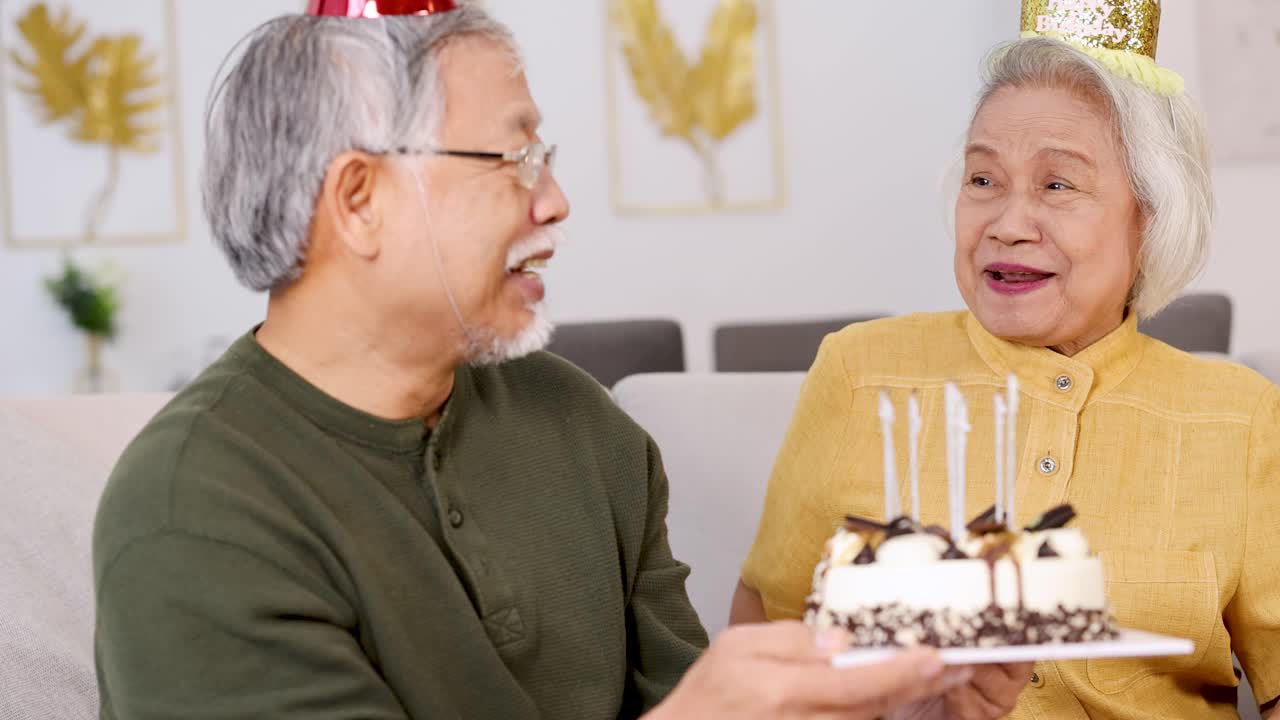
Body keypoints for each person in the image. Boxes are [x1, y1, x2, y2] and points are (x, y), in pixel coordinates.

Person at [93, 2, 976, 717]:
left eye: (542, 158)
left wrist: (890, 708)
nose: (554, 201)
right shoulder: (193, 511)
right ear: (359, 201)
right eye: (513, 157)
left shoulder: (579, 423)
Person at [730, 2, 1280, 719]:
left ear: (1150, 215)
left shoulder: (1238, 417)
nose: (1008, 225)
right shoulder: (859, 373)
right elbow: (765, 637)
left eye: (1058, 184)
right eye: (983, 180)